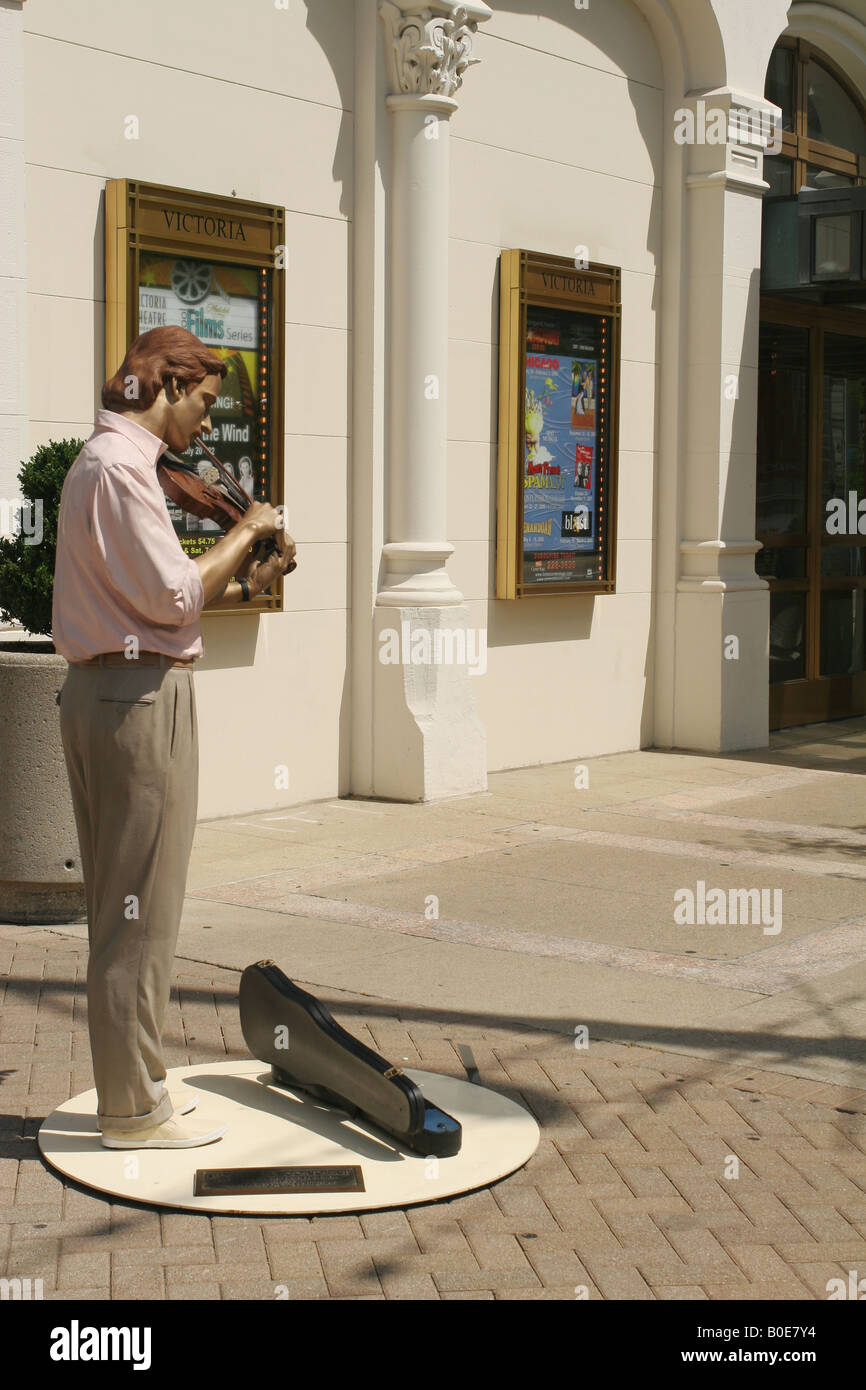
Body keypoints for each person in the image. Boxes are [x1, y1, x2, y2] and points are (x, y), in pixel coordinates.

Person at [52, 326, 296, 1150]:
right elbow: (171, 597)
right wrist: (246, 526)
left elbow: (165, 604)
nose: (205, 423)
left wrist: (253, 573)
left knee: (135, 907)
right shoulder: (123, 466)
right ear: (165, 383)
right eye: (203, 402)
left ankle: (142, 1083)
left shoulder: (109, 463)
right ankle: (130, 1110)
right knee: (139, 914)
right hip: (136, 701)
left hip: (121, 688)